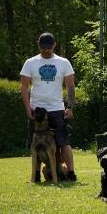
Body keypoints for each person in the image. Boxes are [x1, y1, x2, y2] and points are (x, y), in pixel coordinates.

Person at [20, 32, 77, 181]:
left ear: (54, 45)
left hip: (57, 108)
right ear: (39, 45)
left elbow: (70, 86)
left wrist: (70, 106)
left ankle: (70, 173)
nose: (46, 50)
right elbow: (24, 87)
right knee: (36, 145)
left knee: (63, 142)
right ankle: (36, 175)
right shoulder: (30, 62)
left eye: (49, 47)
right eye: (43, 47)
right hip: (37, 110)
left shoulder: (63, 62)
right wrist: (28, 109)